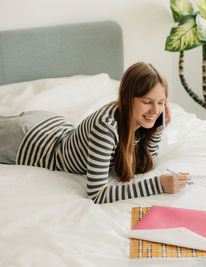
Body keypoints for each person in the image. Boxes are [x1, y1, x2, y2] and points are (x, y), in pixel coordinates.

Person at [0, 62, 189, 204]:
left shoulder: (142, 121)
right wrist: (159, 185)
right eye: (147, 102)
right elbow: (97, 194)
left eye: (161, 102)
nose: (155, 110)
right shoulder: (106, 128)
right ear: (127, 99)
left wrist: (157, 130)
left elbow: (145, 163)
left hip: (54, 125)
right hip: (29, 140)